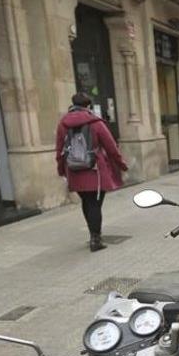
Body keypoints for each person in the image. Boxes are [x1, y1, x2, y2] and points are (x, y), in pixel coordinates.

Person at [56, 92, 128, 252]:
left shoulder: (63, 124)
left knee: (86, 202)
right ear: (88, 106)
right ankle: (96, 239)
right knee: (95, 204)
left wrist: (61, 169)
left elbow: (59, 149)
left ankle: (92, 235)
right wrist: (121, 164)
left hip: (74, 169)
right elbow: (111, 147)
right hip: (95, 169)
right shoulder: (96, 122)